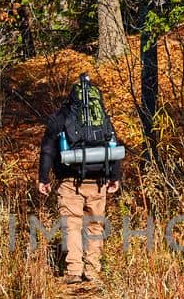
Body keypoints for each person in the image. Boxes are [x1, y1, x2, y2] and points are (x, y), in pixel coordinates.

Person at [37, 77, 123, 285]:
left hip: (69, 180)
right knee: (95, 226)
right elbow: (114, 147)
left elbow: (48, 149)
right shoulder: (101, 117)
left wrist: (43, 177)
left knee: (72, 225)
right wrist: (115, 177)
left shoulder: (61, 117)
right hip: (99, 180)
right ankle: (93, 271)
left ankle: (74, 270)